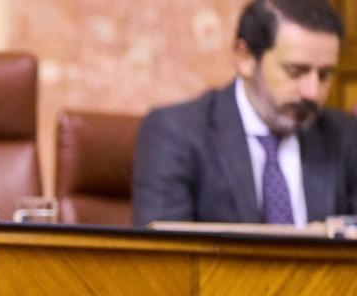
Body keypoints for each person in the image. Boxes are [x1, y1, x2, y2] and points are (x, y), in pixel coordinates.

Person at [132, 0, 357, 226]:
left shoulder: (345, 136)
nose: (312, 92)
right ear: (245, 58)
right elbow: (164, 256)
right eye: (295, 71)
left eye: (325, 75)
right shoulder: (177, 133)